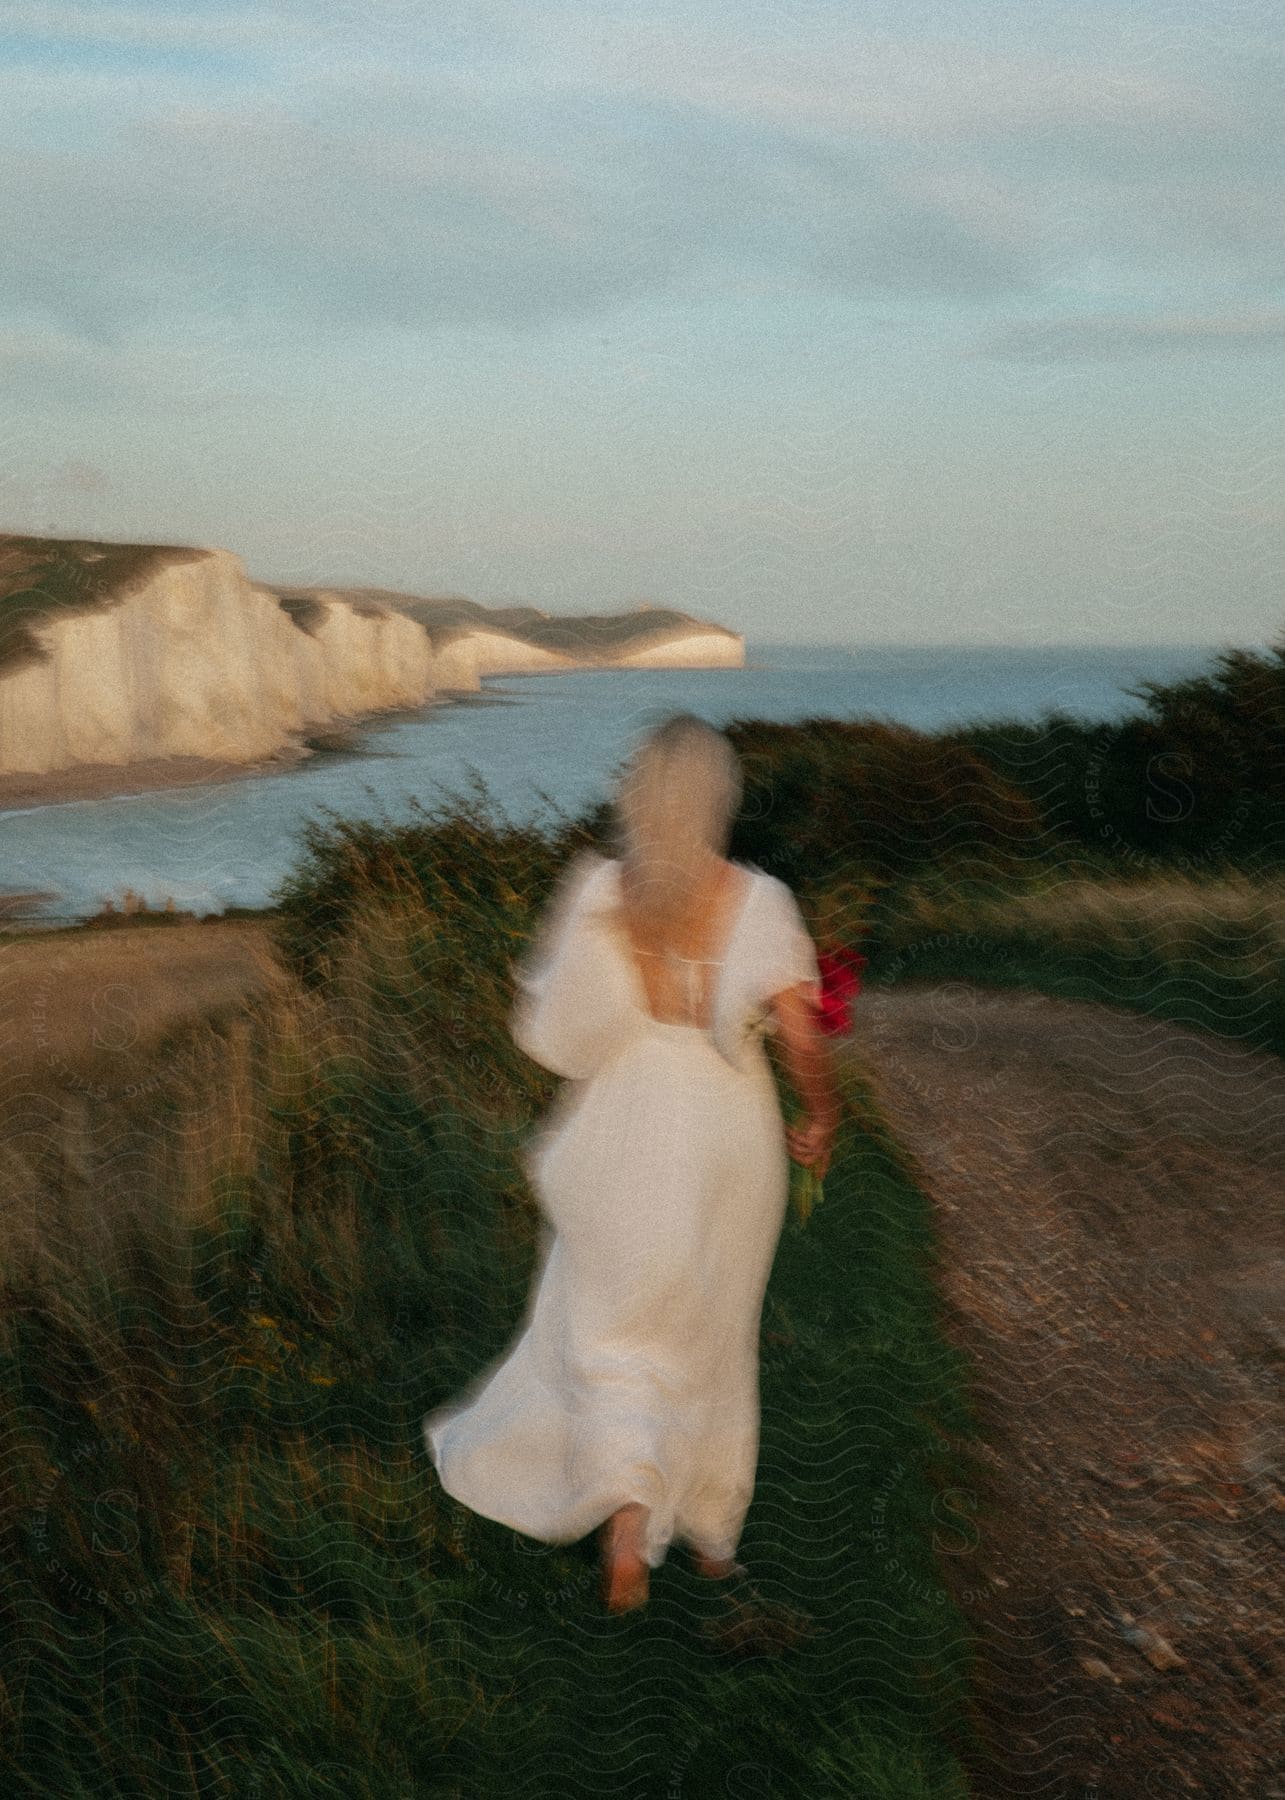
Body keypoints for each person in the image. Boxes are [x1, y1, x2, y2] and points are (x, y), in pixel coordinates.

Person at [422, 711, 840, 1614]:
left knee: (610, 1330)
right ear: (718, 798)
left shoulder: (601, 892)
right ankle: (713, 1542)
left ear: (636, 798)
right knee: (710, 1336)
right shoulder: (757, 900)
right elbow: (802, 1032)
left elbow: (555, 1034)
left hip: (622, 1125)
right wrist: (821, 1115)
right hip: (723, 1133)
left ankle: (627, 1533)